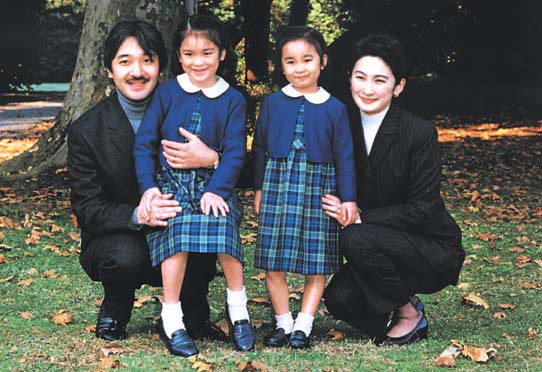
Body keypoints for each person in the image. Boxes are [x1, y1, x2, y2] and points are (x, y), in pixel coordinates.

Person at [68, 19, 225, 344]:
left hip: (182, 226)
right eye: (125, 61)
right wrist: (138, 215)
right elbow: (87, 208)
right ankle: (116, 306)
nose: (137, 71)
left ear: (161, 67)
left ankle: (193, 313)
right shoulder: (87, 130)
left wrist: (211, 158)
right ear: (109, 70)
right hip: (121, 234)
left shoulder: (193, 110)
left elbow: (246, 166)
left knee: (198, 228)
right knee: (125, 256)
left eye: (147, 60)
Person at [322, 33, 465, 346]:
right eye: (360, 77)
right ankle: (397, 302)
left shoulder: (418, 132)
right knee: (339, 299)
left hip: (428, 246)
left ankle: (407, 312)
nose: (368, 89)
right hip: (375, 245)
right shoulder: (338, 122)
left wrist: (362, 219)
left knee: (354, 235)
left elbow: (423, 209)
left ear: (398, 86)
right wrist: (215, 159)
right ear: (350, 79)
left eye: (380, 80)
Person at [134, 14, 254, 356]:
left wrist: (217, 188)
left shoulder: (233, 99)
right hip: (170, 182)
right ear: (179, 55)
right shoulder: (167, 92)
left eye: (207, 53)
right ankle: (172, 316)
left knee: (222, 221)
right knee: (178, 227)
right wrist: (148, 188)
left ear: (222, 54)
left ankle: (238, 308)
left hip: (213, 184)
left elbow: (234, 154)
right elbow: (144, 144)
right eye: (189, 54)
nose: (197, 62)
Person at [252, 26, 358, 349]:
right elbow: (258, 148)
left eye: (307, 60)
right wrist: (258, 189)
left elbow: (345, 157)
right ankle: (283, 322)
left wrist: (348, 199)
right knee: (274, 260)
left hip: (319, 189)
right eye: (291, 61)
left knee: (317, 259)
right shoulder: (272, 103)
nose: (299, 68)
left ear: (322, 62)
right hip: (277, 187)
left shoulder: (335, 108)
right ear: (281, 66)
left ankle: (304, 324)